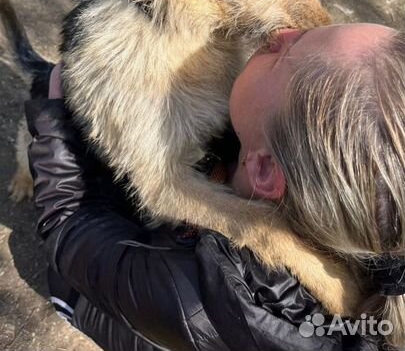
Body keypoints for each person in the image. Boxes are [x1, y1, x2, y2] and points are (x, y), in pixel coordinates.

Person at [25, 23, 405, 351]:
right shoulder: (374, 229)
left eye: (281, 53)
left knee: (72, 266)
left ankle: (68, 304)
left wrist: (55, 121)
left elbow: (69, 224)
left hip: (123, 298)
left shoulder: (202, 292)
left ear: (265, 169)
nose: (280, 32)